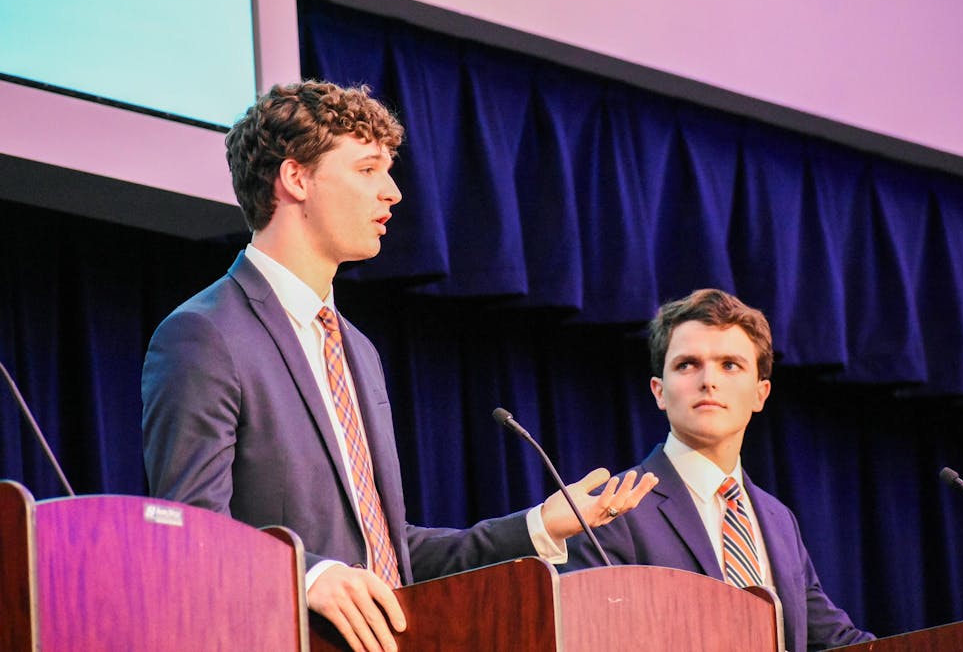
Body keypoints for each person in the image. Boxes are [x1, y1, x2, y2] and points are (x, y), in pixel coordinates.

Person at [141, 80, 657, 652]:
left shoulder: (357, 350)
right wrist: (308, 575)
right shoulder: (205, 334)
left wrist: (540, 524)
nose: (392, 193)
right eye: (366, 170)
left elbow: (392, 555)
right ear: (295, 179)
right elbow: (190, 530)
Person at [562, 288, 874, 652]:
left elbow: (836, 642)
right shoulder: (610, 510)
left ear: (761, 393)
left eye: (730, 365)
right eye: (687, 364)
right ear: (659, 392)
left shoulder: (779, 520)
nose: (708, 380)